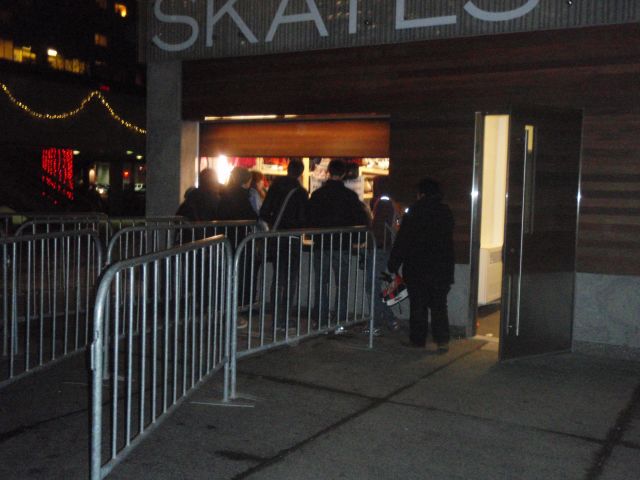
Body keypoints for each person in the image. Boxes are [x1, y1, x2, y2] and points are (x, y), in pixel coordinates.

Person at [388, 178, 455, 353]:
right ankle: (442, 340)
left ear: (421, 193)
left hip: (418, 267)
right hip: (441, 267)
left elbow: (403, 240)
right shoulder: (445, 212)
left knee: (418, 305)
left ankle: (418, 339)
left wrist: (394, 263)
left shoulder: (415, 211)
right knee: (439, 305)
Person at [307, 159, 370, 325]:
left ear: (328, 171)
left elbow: (309, 218)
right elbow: (360, 219)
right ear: (343, 174)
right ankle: (340, 319)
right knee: (342, 284)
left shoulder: (317, 195)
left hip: (321, 244)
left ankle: (320, 318)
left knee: (321, 283)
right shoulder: (350, 196)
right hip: (342, 245)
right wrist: (357, 240)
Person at [259, 158, 308, 329]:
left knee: (278, 278)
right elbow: (304, 218)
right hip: (292, 238)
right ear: (301, 173)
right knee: (290, 279)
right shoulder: (300, 192)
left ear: (288, 169)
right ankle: (285, 317)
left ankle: (275, 317)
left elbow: (264, 212)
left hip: (276, 236)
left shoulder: (275, 188)